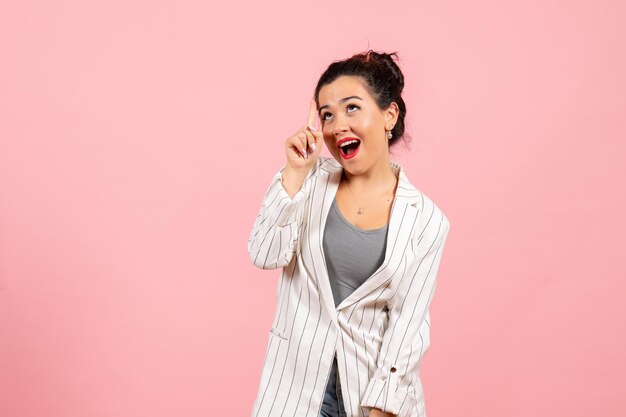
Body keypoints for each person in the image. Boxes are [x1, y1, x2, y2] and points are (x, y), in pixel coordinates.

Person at [247, 50, 451, 417]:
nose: (337, 124)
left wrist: (381, 408)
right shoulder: (307, 181)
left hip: (372, 392)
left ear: (390, 115)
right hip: (295, 390)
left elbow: (408, 326)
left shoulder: (427, 220)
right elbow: (264, 253)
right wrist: (293, 173)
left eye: (351, 108)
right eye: (327, 114)